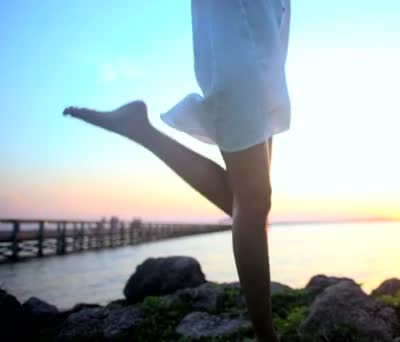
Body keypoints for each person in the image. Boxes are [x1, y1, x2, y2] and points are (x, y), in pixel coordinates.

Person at [63, 1, 291, 341]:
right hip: (236, 20)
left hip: (268, 18)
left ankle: (140, 129)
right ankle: (265, 337)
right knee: (253, 201)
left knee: (251, 200)